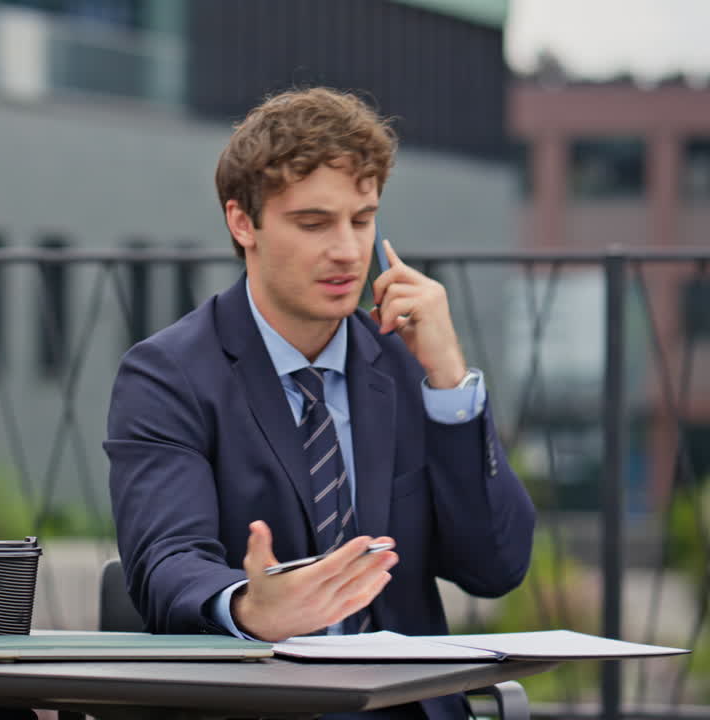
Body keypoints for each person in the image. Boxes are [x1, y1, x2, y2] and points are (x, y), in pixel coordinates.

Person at [104, 88, 536, 720]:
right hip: (262, 707)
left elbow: (495, 566)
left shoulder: (403, 364)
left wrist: (448, 382)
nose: (347, 250)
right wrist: (251, 609)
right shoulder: (168, 376)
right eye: (314, 223)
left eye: (362, 220)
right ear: (242, 222)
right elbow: (166, 563)